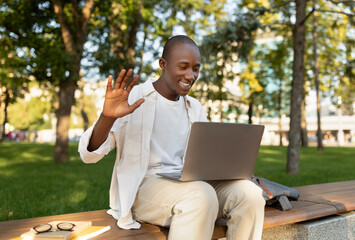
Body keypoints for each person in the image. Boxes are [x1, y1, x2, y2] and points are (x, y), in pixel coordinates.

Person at [78, 35, 265, 240]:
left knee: (250, 194)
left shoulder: (195, 107)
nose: (190, 75)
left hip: (191, 183)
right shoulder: (133, 98)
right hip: (145, 187)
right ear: (162, 64)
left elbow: (205, 160)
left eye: (195, 68)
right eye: (183, 67)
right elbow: (89, 156)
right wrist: (107, 117)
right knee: (201, 196)